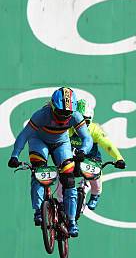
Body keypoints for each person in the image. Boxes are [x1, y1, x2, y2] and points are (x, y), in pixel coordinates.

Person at [7, 87, 92, 237]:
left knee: (69, 180)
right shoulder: (42, 115)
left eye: (68, 113)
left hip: (62, 143)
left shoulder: (76, 116)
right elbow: (24, 135)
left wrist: (83, 151)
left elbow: (87, 138)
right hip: (39, 141)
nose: (64, 116)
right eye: (60, 112)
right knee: (39, 173)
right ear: (52, 106)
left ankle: (72, 220)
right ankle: (38, 210)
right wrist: (15, 155)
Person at [56, 98, 126, 210]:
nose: (81, 126)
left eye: (86, 121)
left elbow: (107, 145)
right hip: (73, 157)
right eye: (78, 121)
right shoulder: (67, 128)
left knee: (95, 175)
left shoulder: (95, 130)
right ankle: (60, 201)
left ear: (91, 120)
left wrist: (119, 158)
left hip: (91, 158)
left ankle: (95, 195)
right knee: (62, 176)